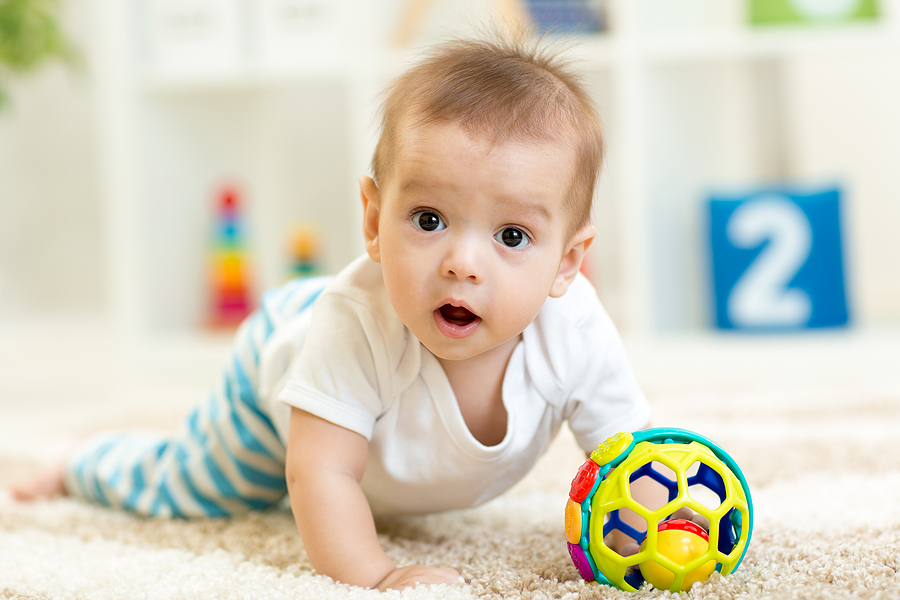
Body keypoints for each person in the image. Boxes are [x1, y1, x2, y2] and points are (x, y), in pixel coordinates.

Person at [11, 36, 655, 590]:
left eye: (511, 236)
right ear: (374, 221)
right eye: (429, 220)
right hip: (285, 357)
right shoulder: (355, 329)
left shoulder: (575, 333)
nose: (463, 263)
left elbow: (631, 454)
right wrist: (374, 574)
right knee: (198, 488)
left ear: (568, 262)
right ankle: (87, 463)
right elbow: (318, 470)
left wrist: (657, 528)